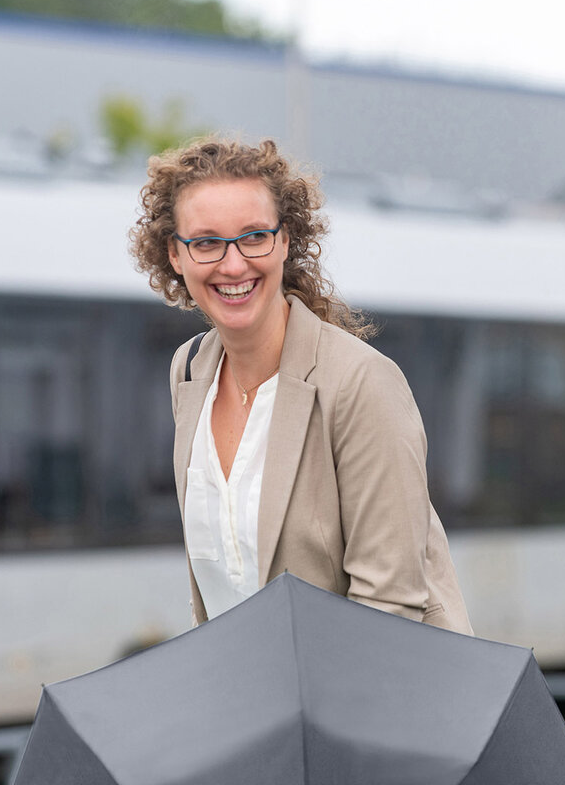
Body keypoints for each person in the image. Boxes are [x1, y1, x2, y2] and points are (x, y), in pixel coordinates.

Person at [130, 137, 472, 634]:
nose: (233, 265)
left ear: (285, 241)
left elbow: (390, 605)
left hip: (367, 678)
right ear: (175, 255)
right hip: (248, 678)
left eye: (254, 237)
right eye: (206, 243)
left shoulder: (360, 382)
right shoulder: (188, 371)